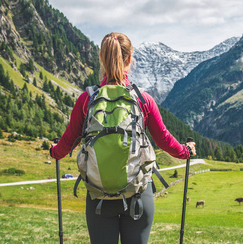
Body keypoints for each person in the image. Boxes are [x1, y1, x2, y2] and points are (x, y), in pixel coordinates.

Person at [50, 32, 196, 244]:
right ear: (130, 59)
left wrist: (54, 150)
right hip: (138, 194)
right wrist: (186, 150)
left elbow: (67, 143)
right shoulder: (142, 100)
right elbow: (164, 140)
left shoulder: (87, 100)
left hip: (98, 197)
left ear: (101, 57)